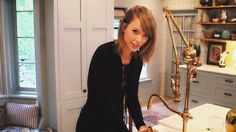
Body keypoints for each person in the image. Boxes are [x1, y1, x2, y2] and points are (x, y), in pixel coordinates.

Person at [76, 5, 156, 132]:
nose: (139, 40)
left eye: (145, 35)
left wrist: (141, 125)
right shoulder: (104, 53)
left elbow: (132, 97)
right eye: (135, 31)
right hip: (92, 124)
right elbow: (105, 103)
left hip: (115, 123)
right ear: (124, 27)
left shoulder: (137, 60)